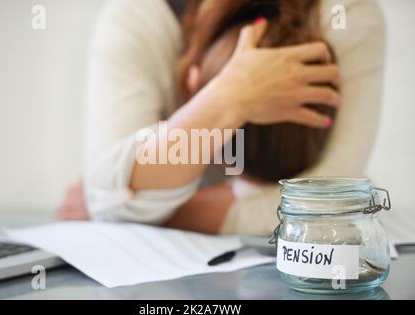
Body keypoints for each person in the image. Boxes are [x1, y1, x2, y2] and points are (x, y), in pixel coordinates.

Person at [56, 0, 385, 236]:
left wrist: (139, 211)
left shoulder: (347, 12)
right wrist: (231, 96)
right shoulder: (136, 19)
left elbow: (335, 199)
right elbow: (106, 195)